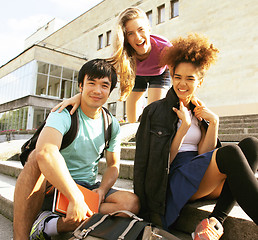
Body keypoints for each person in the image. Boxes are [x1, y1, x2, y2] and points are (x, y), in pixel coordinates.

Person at [133, 33, 258, 240]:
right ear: (171, 76)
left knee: (252, 144)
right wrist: (183, 129)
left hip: (201, 176)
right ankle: (219, 219)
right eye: (177, 77)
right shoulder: (154, 111)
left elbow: (206, 154)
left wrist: (213, 123)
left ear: (200, 81)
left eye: (190, 78)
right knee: (230, 153)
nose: (182, 84)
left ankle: (216, 220)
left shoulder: (199, 110)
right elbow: (156, 162)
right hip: (175, 179)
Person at [13, 59, 140, 240]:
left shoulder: (111, 123)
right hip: (55, 186)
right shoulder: (64, 113)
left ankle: (51, 226)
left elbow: (113, 165)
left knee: (130, 203)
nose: (97, 90)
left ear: (110, 91)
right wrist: (74, 197)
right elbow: (46, 152)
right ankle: (21, 237)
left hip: (87, 187)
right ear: (80, 86)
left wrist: (102, 189)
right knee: (36, 157)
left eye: (104, 85)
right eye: (91, 83)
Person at [53, 7, 172, 123]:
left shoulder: (164, 48)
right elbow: (100, 76)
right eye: (130, 33)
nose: (138, 37)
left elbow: (181, 74)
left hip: (159, 74)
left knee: (155, 111)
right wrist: (79, 97)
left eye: (141, 29)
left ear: (149, 29)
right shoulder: (121, 54)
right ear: (126, 39)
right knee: (132, 118)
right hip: (136, 75)